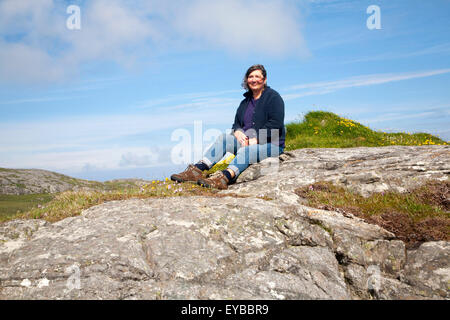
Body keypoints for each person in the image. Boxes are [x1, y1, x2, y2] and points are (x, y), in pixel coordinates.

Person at [170, 64, 285, 189]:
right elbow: (236, 124)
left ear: (264, 80)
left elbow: (276, 123)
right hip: (246, 142)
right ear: (247, 80)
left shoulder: (273, 97)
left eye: (257, 76)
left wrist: (257, 139)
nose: (254, 79)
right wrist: (237, 132)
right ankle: (197, 171)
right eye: (250, 76)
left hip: (271, 146)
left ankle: (225, 177)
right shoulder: (245, 102)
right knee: (224, 138)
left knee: (245, 151)